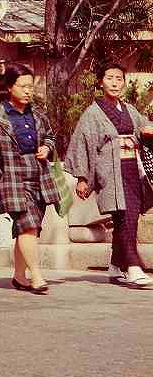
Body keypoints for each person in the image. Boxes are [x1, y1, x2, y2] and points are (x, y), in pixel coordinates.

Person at [66, 63, 153, 289]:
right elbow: (83, 144)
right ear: (101, 82)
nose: (115, 83)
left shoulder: (130, 109)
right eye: (110, 78)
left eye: (119, 78)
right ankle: (134, 268)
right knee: (124, 217)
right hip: (109, 171)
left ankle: (116, 267)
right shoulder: (92, 113)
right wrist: (83, 178)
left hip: (133, 169)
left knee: (129, 217)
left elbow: (144, 128)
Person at [0, 62, 59, 294]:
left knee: (28, 229)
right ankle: (37, 276)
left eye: (30, 86)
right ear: (10, 87)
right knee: (28, 225)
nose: (27, 91)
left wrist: (46, 147)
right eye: (22, 86)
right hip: (11, 178)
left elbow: (51, 137)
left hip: (38, 175)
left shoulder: (39, 116)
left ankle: (19, 276)